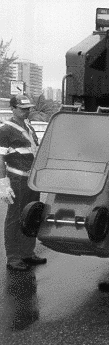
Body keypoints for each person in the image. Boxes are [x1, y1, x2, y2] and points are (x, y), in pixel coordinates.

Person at [0, 95, 47, 271]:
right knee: (14, 219)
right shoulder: (5, 130)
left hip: (31, 179)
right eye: (22, 108)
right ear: (12, 108)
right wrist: (3, 183)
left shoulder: (28, 126)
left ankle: (27, 253)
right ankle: (13, 258)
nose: (26, 111)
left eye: (28, 108)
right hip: (17, 179)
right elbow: (0, 157)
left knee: (31, 215)